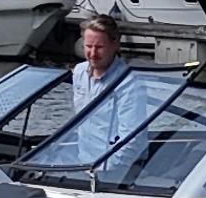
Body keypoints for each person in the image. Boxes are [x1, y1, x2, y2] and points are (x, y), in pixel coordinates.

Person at [55, 10, 163, 166]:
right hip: (84, 161)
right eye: (88, 46)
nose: (93, 53)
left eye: (99, 47)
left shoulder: (130, 83)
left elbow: (133, 140)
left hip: (119, 166)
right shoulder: (79, 72)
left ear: (115, 45)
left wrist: (109, 167)